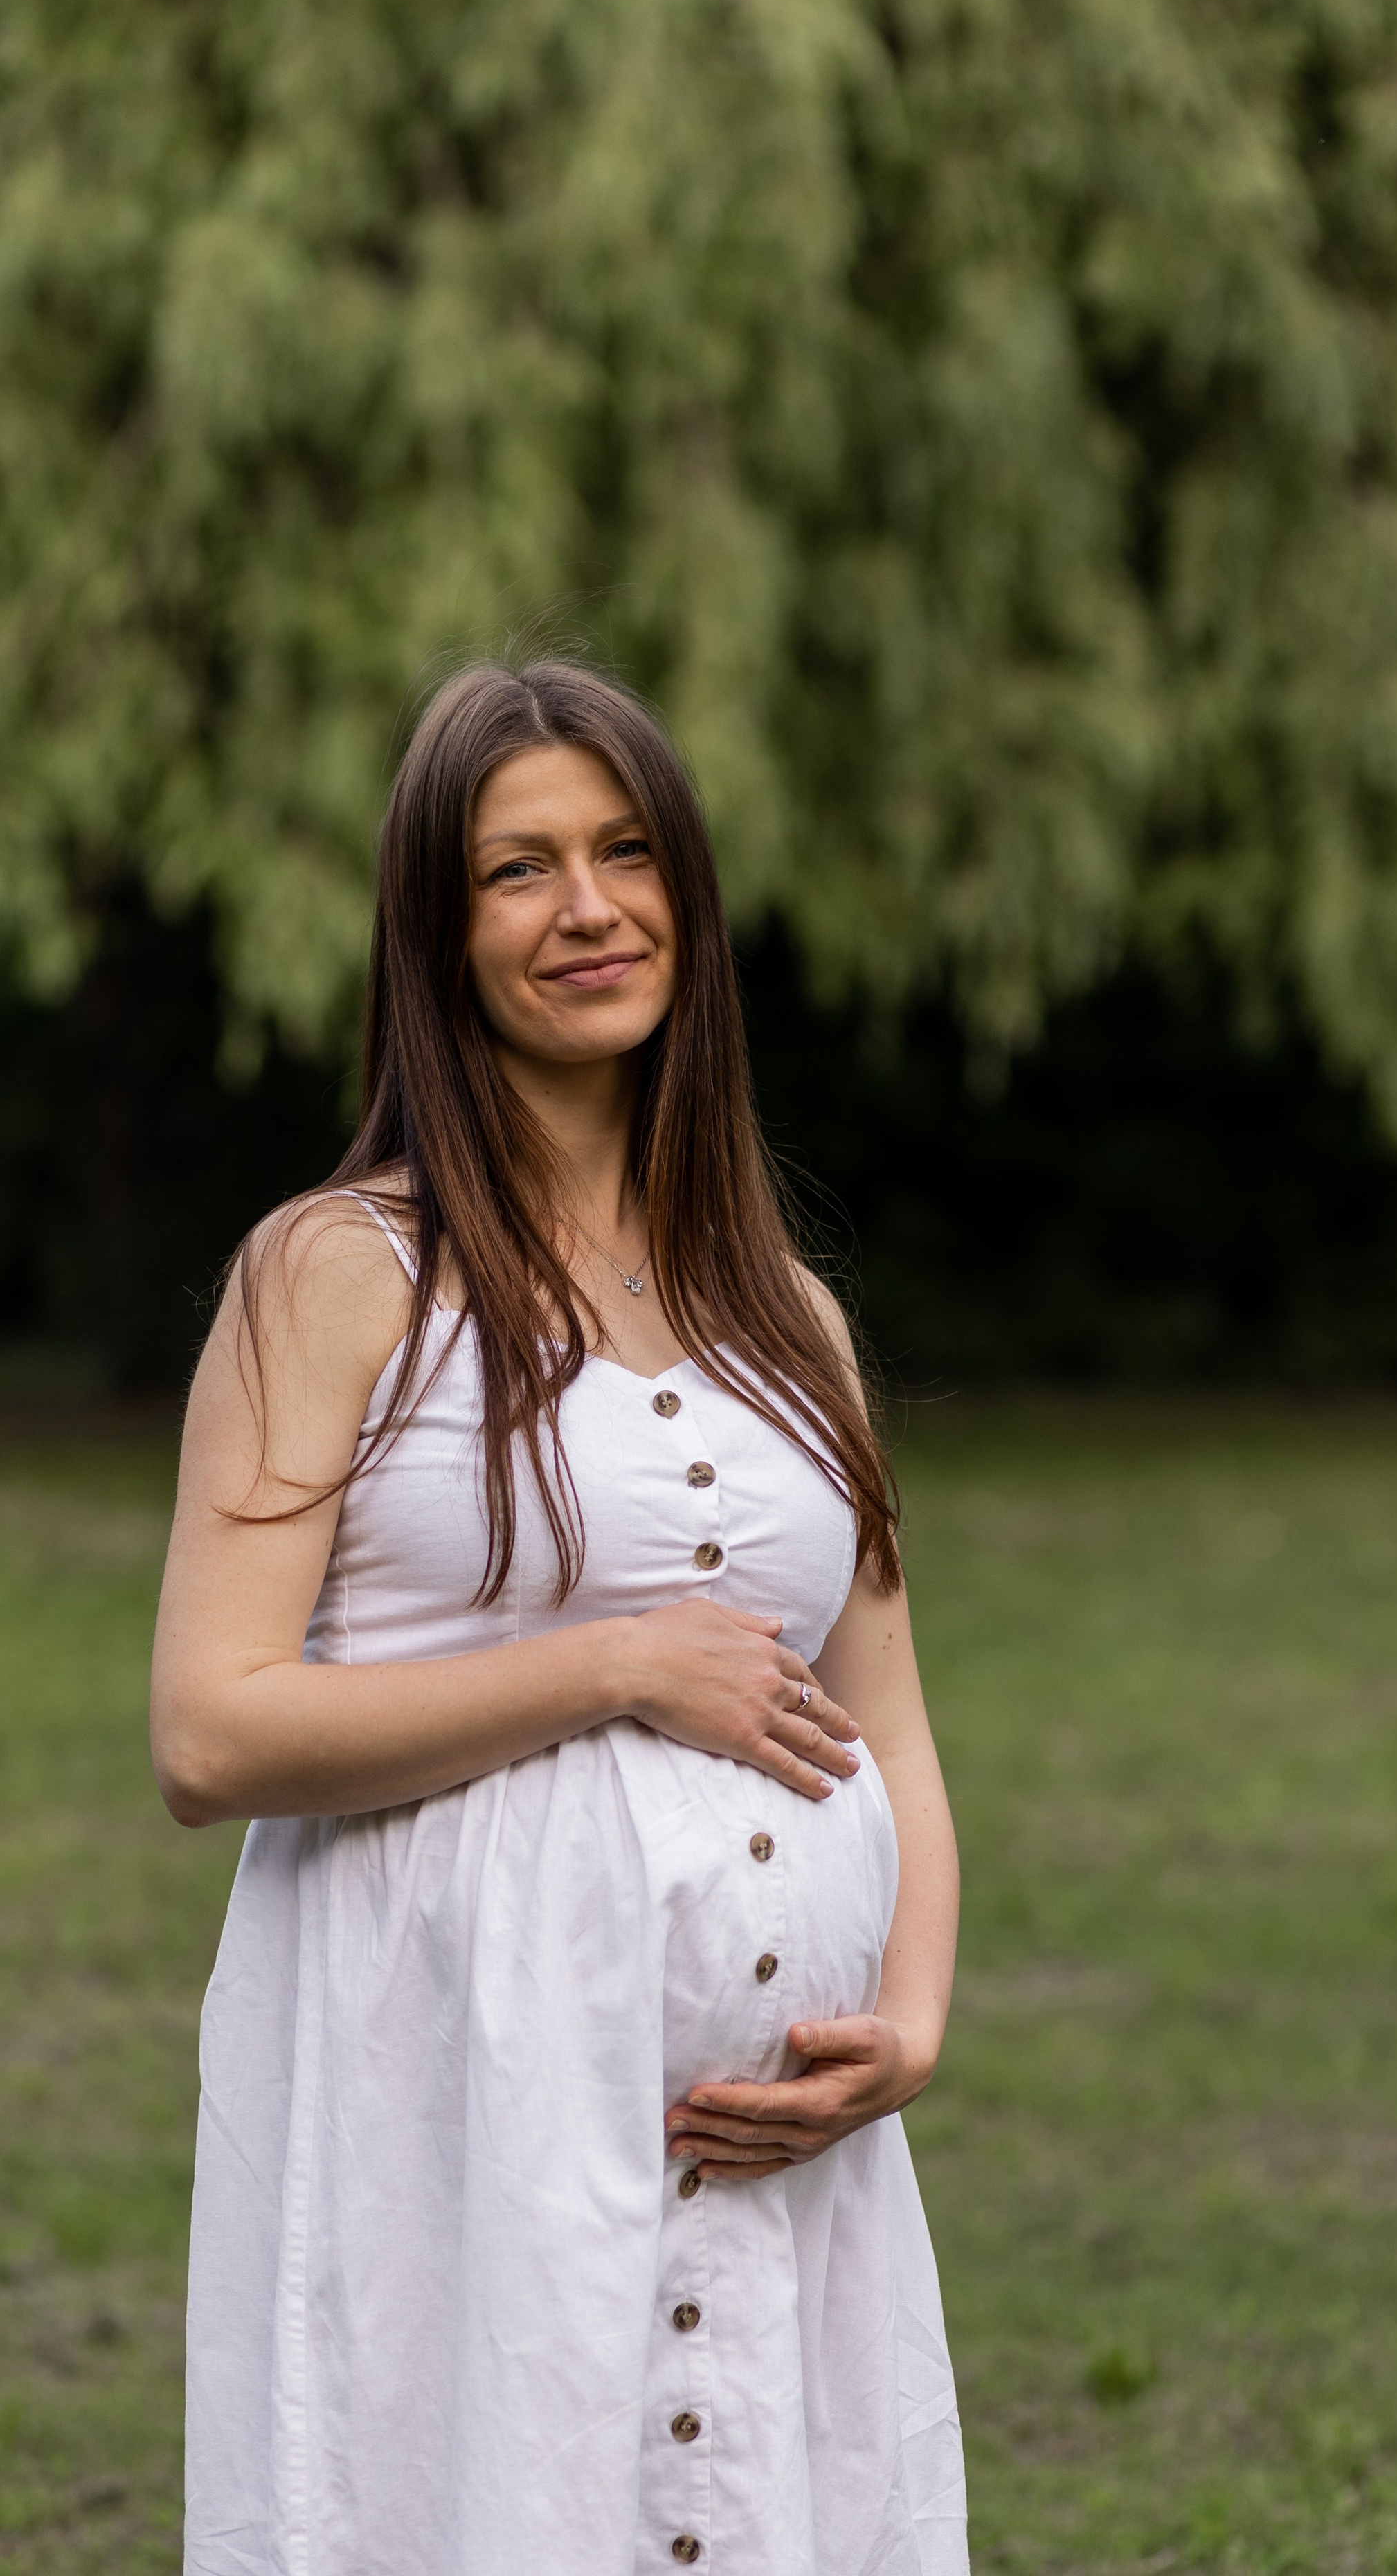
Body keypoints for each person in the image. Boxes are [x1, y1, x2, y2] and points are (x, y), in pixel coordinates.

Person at [150, 658, 966, 2576]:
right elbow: (209, 1735)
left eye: (623, 854)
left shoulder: (793, 1317)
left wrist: (912, 2019)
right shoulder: (337, 1275)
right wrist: (612, 1666)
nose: (586, 909)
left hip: (778, 2155)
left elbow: (898, 1740)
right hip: (455, 2101)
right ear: (438, 941)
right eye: (516, 871)